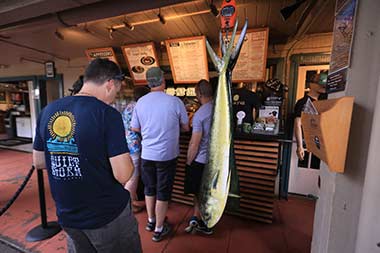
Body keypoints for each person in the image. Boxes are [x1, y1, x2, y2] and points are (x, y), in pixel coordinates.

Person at [32, 58, 142, 253]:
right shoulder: (107, 115)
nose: (115, 97)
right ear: (109, 84)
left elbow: (39, 162)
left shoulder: (47, 111)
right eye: (116, 91)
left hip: (68, 215)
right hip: (106, 215)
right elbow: (123, 175)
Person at [131, 67, 189, 242]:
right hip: (167, 156)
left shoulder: (140, 102)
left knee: (149, 188)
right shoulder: (175, 102)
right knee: (163, 192)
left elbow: (135, 128)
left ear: (148, 83)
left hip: (147, 154)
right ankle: (159, 229)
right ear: (163, 81)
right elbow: (186, 127)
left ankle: (151, 221)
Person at [184, 79, 213, 235]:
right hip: (217, 161)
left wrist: (189, 161)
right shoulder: (220, 109)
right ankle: (197, 217)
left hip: (201, 160)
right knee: (207, 192)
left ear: (199, 94)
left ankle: (205, 223)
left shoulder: (200, 114)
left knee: (199, 191)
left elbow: (194, 143)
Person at [122, 86, 150, 213]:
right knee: (133, 176)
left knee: (129, 174)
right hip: (135, 145)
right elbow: (139, 127)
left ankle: (132, 202)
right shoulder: (139, 107)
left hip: (125, 143)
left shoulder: (129, 106)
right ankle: (127, 206)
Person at [294, 72, 327, 163]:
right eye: (318, 82)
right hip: (311, 142)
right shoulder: (303, 102)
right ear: (311, 84)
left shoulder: (324, 101)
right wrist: (300, 146)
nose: (323, 86)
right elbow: (297, 124)